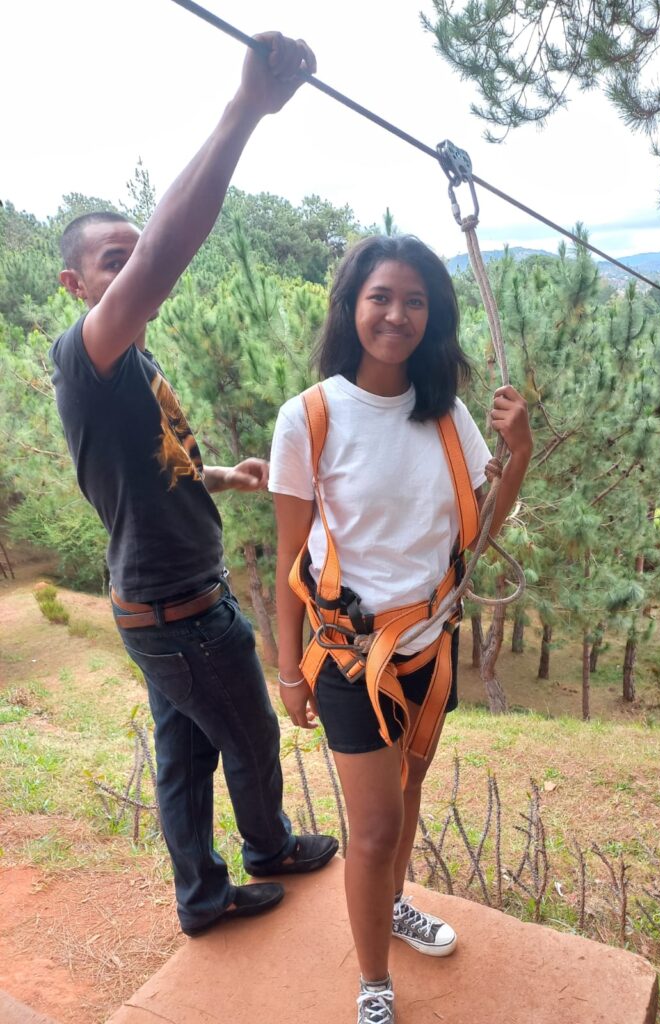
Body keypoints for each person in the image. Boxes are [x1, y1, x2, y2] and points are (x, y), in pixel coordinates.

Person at [50, 31, 338, 939]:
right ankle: (268, 850)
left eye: (131, 256)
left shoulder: (132, 361)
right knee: (249, 738)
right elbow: (170, 249)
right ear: (74, 284)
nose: (133, 269)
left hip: (158, 605)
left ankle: (202, 900)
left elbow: (152, 467)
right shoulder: (87, 353)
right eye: (114, 262)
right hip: (178, 610)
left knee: (183, 758)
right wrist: (243, 109)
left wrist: (224, 475)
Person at [269, 235, 533, 1023]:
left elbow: (479, 531)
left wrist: (516, 455)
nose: (397, 314)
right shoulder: (310, 418)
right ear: (353, 306)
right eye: (381, 296)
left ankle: (388, 906)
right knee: (375, 827)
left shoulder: (448, 416)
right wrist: (288, 672)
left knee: (409, 794)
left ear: (434, 316)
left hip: (428, 648)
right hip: (350, 657)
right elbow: (292, 556)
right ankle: (374, 984)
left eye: (415, 301)